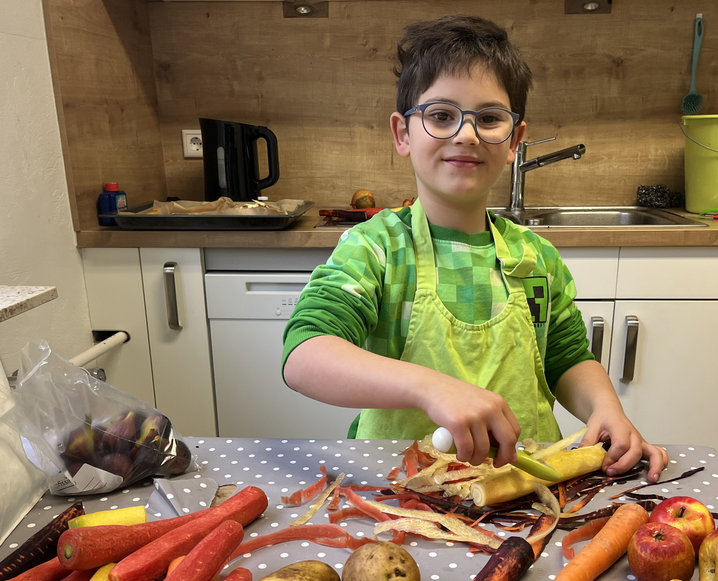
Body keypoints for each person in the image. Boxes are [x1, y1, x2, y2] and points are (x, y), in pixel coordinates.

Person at [282, 15, 668, 482]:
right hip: (401, 492)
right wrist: (431, 388)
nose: (466, 134)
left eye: (488, 118)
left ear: (514, 141)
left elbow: (567, 358)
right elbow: (305, 354)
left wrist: (606, 408)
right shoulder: (377, 248)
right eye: (442, 115)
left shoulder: (536, 258)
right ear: (403, 134)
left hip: (524, 489)